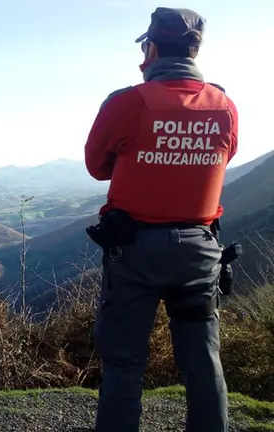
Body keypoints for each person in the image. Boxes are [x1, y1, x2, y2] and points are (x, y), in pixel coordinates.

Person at [83, 6, 238, 432]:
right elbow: (221, 158)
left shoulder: (127, 103)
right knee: (204, 364)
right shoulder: (225, 106)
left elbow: (97, 165)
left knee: (124, 365)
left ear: (150, 48)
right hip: (200, 251)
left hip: (135, 253)